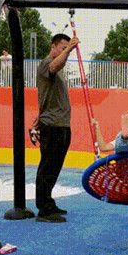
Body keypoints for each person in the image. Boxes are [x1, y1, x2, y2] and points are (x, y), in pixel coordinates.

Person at [33, 33, 79, 223]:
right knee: (48, 166)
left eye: (66, 48)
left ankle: (48, 202)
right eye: (62, 47)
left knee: (54, 167)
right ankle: (43, 209)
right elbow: (54, 65)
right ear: (53, 47)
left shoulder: (58, 71)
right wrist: (70, 49)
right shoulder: (46, 63)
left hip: (60, 124)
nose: (64, 51)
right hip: (52, 125)